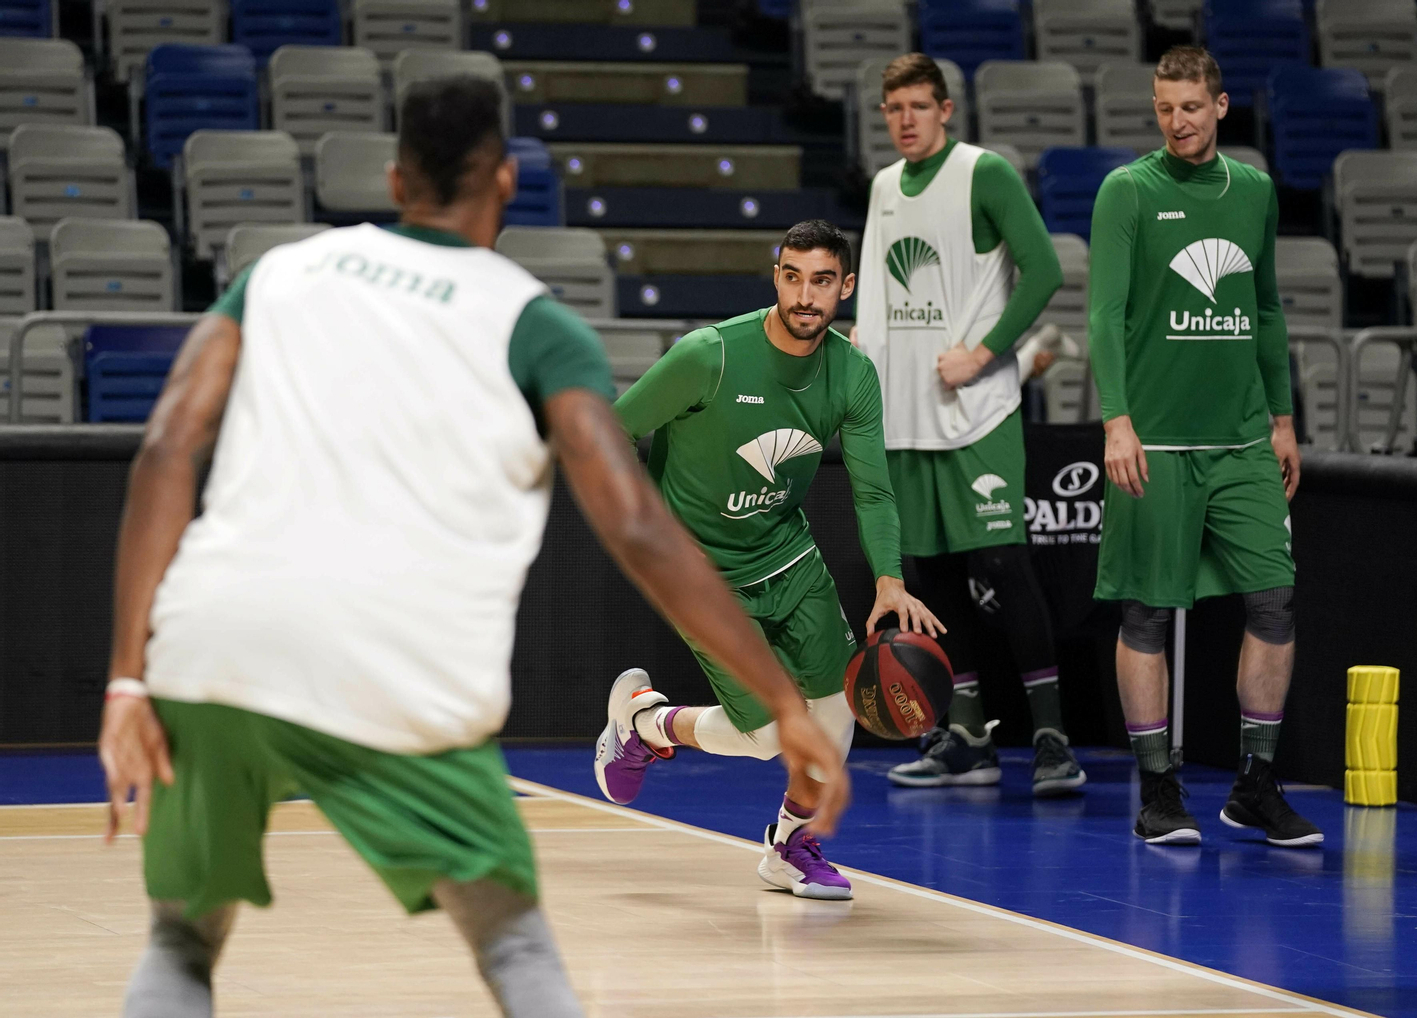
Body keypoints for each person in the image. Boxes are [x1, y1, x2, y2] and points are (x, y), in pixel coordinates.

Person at [96, 77, 851, 1018]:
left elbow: (167, 448)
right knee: (516, 949)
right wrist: (787, 703)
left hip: (214, 650)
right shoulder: (536, 326)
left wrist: (128, 676)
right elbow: (637, 525)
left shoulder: (282, 272)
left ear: (394, 176)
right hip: (397, 667)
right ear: (502, 183)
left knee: (178, 946)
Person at [594, 219, 942, 901]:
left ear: (845, 287)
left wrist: (889, 580)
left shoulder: (852, 374)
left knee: (837, 711)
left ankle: (789, 848)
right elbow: (611, 429)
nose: (804, 295)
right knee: (763, 736)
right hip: (698, 572)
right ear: (776, 276)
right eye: (792, 277)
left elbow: (872, 488)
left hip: (787, 553)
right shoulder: (709, 355)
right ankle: (643, 721)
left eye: (820, 281)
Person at [1087, 46, 1322, 848]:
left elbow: (1264, 307)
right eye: (1164, 108)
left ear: (1220, 106)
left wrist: (1283, 418)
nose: (1177, 121)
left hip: (1242, 441)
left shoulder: (1253, 191)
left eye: (1191, 106)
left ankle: (1256, 783)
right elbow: (1104, 316)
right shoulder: (1127, 191)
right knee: (1146, 613)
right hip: (1153, 443)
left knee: (1274, 601)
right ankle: (1158, 788)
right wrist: (1116, 420)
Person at [852, 53, 1084, 797]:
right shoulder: (885, 186)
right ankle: (968, 738)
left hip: (977, 410)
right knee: (934, 581)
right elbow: (876, 306)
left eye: (920, 106)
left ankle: (1052, 739)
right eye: (895, 110)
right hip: (905, 416)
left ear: (947, 109)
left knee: (1004, 567)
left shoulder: (984, 173)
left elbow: (1044, 269)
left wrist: (985, 354)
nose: (907, 121)